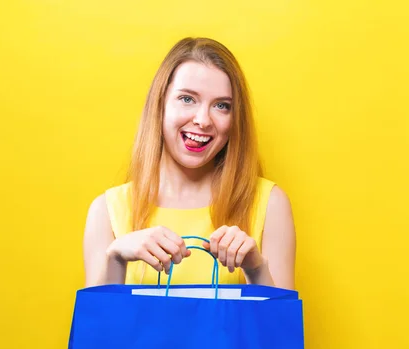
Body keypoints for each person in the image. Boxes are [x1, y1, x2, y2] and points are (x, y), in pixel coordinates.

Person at [83, 37, 296, 290]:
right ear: (159, 105)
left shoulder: (269, 203)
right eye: (187, 99)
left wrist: (256, 268)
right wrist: (115, 259)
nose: (203, 120)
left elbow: (279, 328)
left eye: (221, 106)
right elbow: (99, 328)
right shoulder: (107, 211)